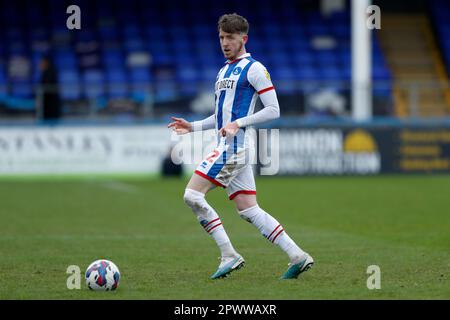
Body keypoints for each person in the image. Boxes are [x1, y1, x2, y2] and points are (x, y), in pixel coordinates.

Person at [168, 13, 313, 280]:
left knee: (192, 196)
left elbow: (273, 110)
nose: (225, 42)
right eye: (222, 37)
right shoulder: (223, 71)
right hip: (229, 143)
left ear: (243, 39)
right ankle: (298, 255)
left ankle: (229, 255)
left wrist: (239, 123)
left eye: (230, 38)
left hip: (235, 146)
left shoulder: (255, 68)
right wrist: (193, 126)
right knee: (248, 209)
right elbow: (221, 116)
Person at [39, 56, 61, 121]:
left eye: (42, 63)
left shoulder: (51, 71)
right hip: (46, 101)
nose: (41, 64)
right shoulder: (45, 72)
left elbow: (47, 84)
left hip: (51, 101)